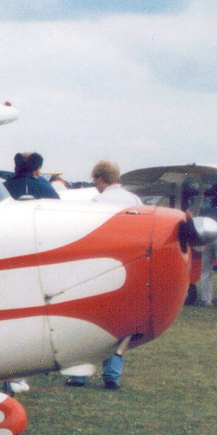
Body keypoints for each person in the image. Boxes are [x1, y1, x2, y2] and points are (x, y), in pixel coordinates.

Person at [69, 160, 145, 389]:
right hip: (130, 267)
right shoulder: (135, 200)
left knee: (90, 322)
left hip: (100, 268)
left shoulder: (96, 202)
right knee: (120, 323)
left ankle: (79, 374)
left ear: (100, 178)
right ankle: (112, 375)